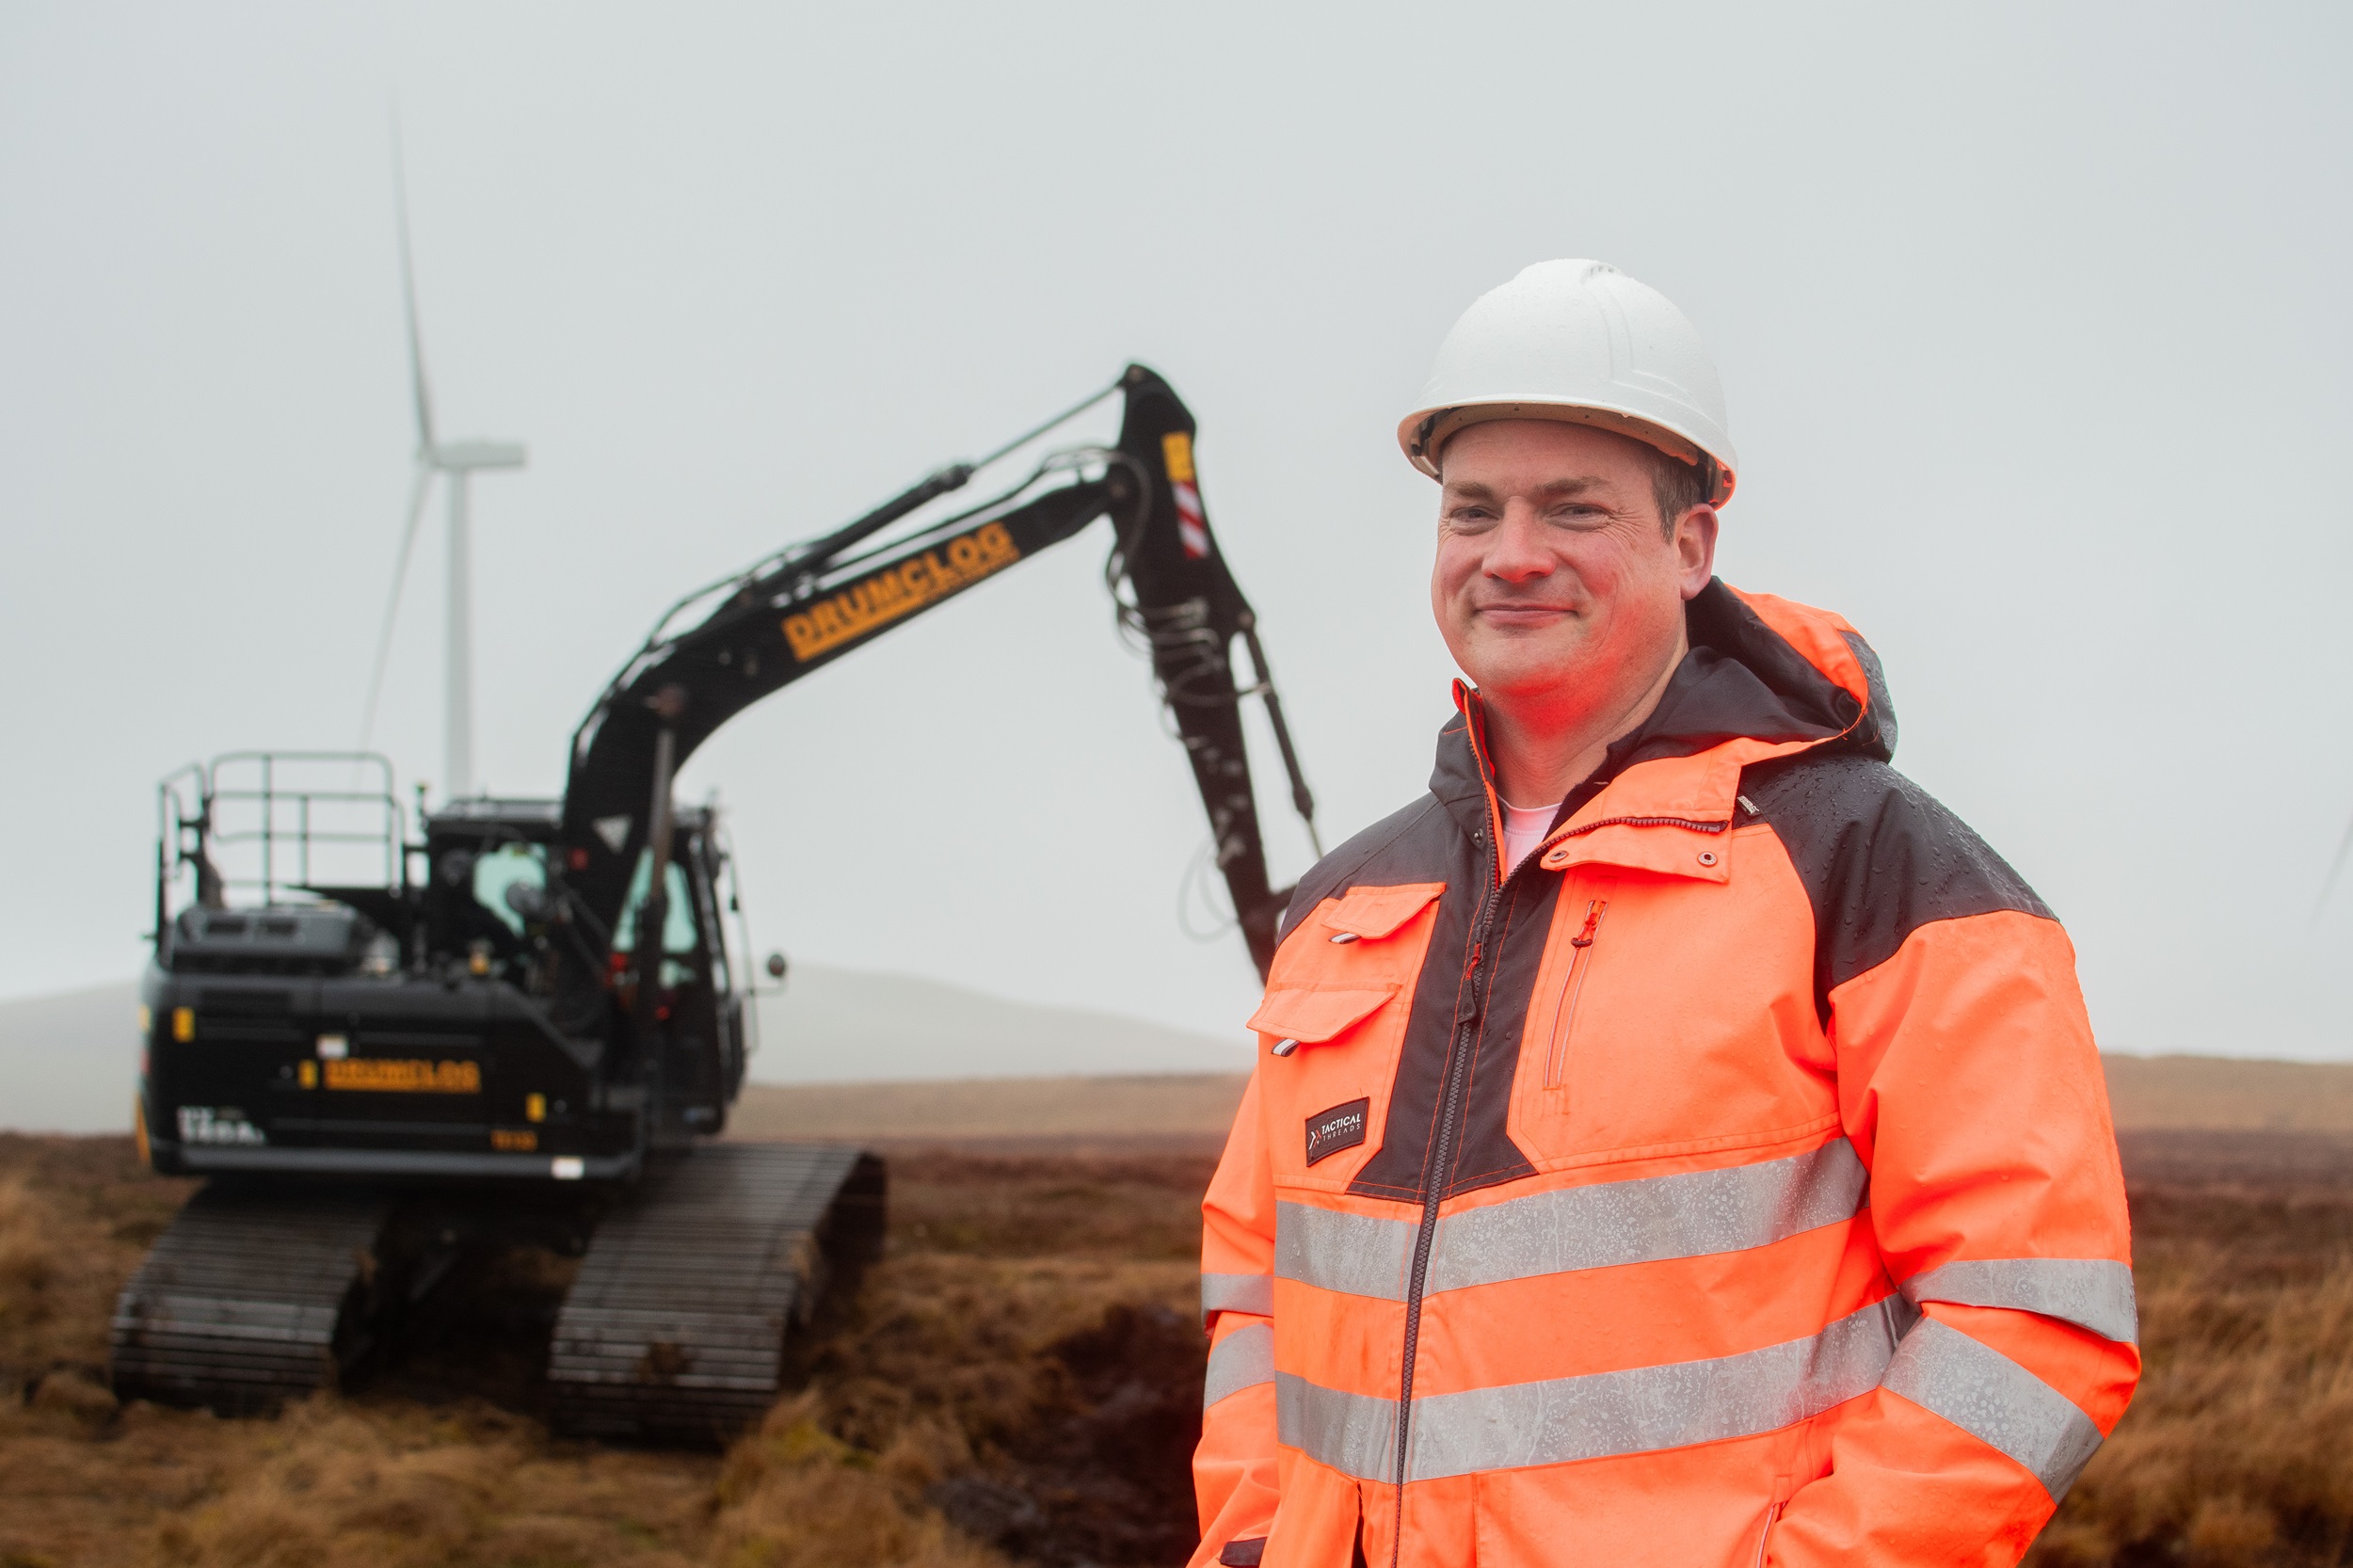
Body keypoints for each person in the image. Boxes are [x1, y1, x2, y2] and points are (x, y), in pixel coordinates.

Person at [1191, 260, 2138, 1568]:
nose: (1511, 554)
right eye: (1474, 511)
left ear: (1691, 545)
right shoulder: (1349, 901)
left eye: (1572, 509)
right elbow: (1257, 1288)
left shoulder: (1869, 865)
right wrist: (1250, 1538)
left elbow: (2036, 1312)